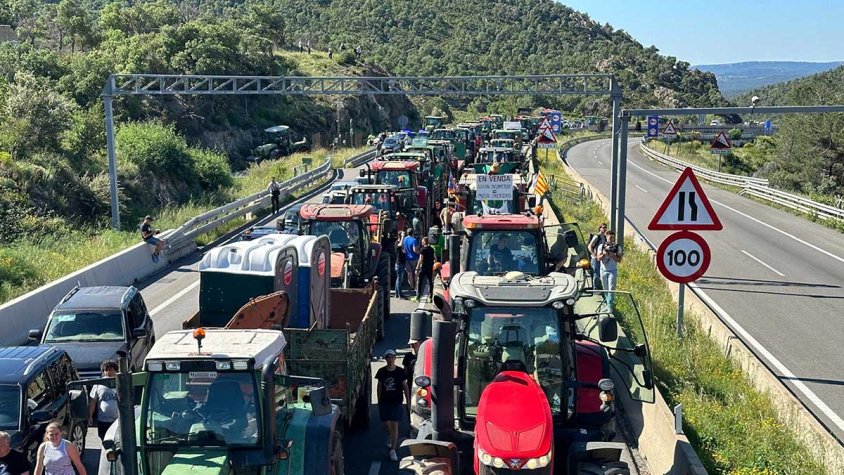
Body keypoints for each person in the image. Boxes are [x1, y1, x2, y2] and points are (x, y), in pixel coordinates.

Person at [375, 349, 410, 462]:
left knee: (395, 424)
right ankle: (391, 436)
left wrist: (408, 401)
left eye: (392, 357)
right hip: (385, 401)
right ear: (385, 359)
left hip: (396, 401)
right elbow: (379, 386)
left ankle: (393, 450)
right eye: (388, 357)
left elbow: (405, 387)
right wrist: (379, 400)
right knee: (386, 423)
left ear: (395, 358)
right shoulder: (381, 372)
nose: (390, 359)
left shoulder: (400, 372)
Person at [88, 360, 119, 442]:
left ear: (115, 370)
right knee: (104, 440)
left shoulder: (120, 383)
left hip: (117, 420)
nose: (108, 372)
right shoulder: (98, 384)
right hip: (103, 421)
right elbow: (93, 401)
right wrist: (90, 416)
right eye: (106, 370)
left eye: (111, 369)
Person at [597, 230, 623, 311]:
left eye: (612, 238)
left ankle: (610, 306)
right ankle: (608, 304)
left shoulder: (617, 247)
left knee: (611, 288)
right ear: (606, 237)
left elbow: (619, 259)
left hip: (612, 270)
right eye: (610, 237)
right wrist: (604, 254)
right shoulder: (601, 246)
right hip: (603, 270)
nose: (611, 239)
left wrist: (612, 255)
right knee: (605, 289)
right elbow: (598, 258)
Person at [415, 237, 436, 302]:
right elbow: (435, 258)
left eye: (422, 241)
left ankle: (418, 296)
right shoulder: (432, 249)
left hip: (424, 267)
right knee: (430, 282)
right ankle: (430, 297)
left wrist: (417, 267)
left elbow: (421, 259)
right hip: (430, 267)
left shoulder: (422, 250)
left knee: (420, 281)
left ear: (424, 242)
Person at [587, 224, 607, 290]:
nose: (604, 229)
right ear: (600, 228)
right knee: (596, 273)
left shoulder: (604, 237)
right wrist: (594, 255)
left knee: (600, 272)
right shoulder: (596, 237)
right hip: (595, 258)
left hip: (601, 257)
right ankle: (595, 288)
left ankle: (599, 287)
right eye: (603, 227)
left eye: (605, 228)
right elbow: (589, 246)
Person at [402, 228, 420, 295]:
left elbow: (403, 248)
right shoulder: (414, 240)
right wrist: (420, 252)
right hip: (414, 258)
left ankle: (411, 287)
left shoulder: (404, 239)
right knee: (415, 273)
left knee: (409, 274)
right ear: (413, 233)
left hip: (407, 258)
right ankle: (416, 287)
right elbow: (415, 250)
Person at [394, 230, 407, 299]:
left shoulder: (402, 243)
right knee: (399, 279)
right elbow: (400, 245)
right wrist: (402, 236)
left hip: (402, 262)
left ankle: (396, 293)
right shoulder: (397, 243)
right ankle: (400, 295)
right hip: (399, 263)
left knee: (399, 279)